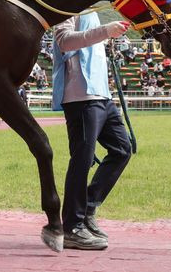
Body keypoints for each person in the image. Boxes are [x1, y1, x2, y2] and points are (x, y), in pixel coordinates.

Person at [53, 13, 131, 250]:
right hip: (80, 97)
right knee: (82, 160)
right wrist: (106, 31)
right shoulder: (68, 6)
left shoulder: (94, 11)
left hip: (102, 95)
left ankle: (87, 208)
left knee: (122, 149)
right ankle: (71, 228)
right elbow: (64, 40)